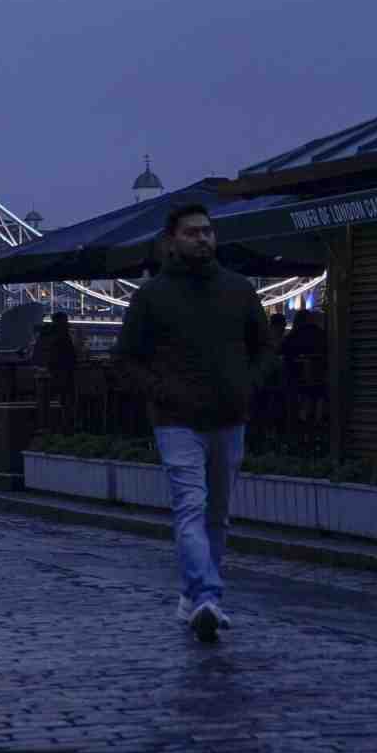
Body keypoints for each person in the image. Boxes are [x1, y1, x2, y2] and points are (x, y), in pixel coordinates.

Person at [114, 203, 276, 643]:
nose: (202, 238)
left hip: (230, 417)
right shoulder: (150, 296)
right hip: (176, 421)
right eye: (192, 232)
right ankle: (207, 595)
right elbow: (125, 360)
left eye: (207, 231)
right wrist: (162, 392)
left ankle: (194, 597)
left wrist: (248, 385)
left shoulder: (239, 290)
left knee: (217, 516)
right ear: (172, 240)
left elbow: (265, 348)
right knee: (191, 507)